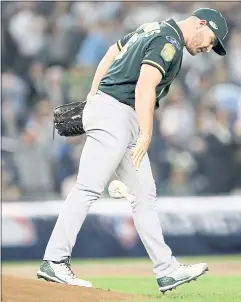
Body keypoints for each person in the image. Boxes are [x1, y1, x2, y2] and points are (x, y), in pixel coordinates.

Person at [37, 8, 228, 293]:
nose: (208, 48)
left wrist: (93, 95)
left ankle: (166, 270)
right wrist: (147, 133)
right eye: (211, 40)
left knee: (144, 194)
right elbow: (144, 87)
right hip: (117, 114)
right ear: (201, 23)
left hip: (116, 114)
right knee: (88, 188)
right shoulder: (170, 42)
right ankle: (54, 259)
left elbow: (111, 53)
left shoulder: (151, 28)